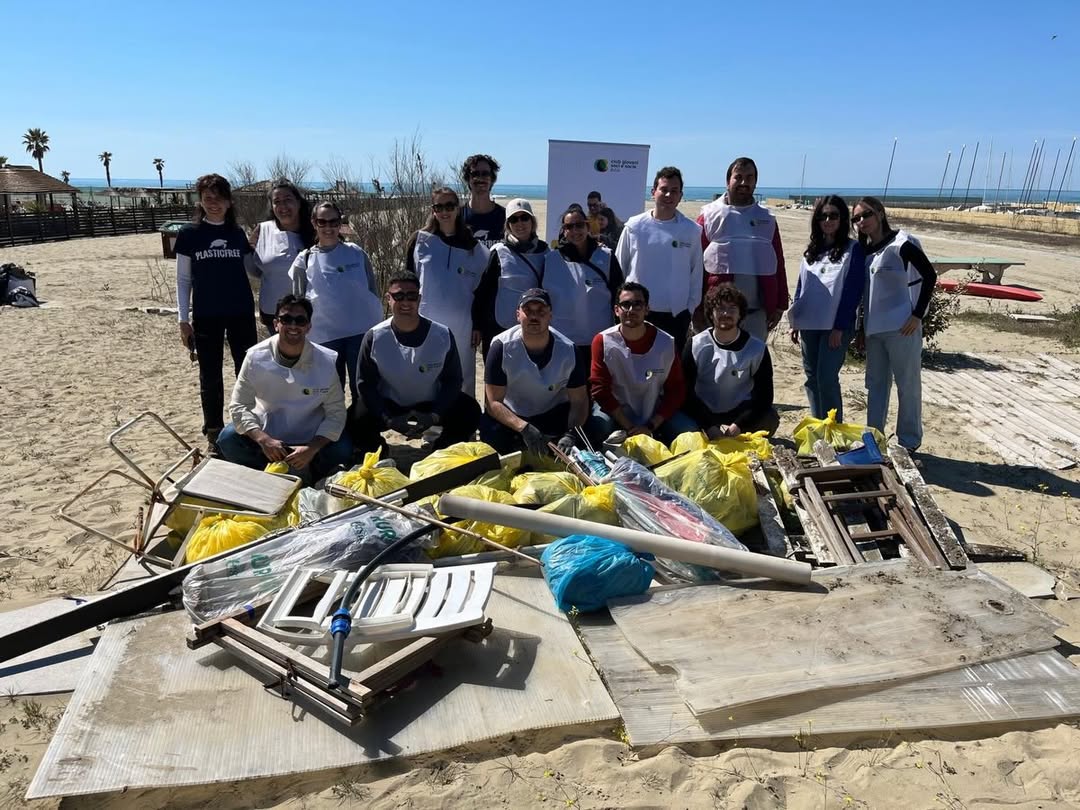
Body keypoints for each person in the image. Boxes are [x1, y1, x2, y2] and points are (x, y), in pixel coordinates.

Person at [218, 294, 351, 482]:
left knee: (343, 448)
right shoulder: (255, 357)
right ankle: (268, 471)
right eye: (286, 319)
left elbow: (336, 411)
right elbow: (238, 406)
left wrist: (312, 448)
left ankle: (310, 471)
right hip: (269, 434)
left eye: (300, 320)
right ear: (276, 323)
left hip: (310, 435)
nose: (293, 325)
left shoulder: (326, 361)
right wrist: (263, 439)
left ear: (308, 326)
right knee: (228, 438)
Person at [175, 173, 259, 448]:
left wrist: (260, 248)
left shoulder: (236, 235)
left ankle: (247, 427)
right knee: (210, 376)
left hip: (240, 311)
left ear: (228, 202)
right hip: (206, 314)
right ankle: (213, 432)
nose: (214, 203)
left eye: (219, 198)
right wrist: (182, 319)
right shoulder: (189, 234)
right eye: (208, 198)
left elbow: (254, 270)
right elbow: (183, 279)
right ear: (200, 201)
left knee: (245, 372)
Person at [353, 272, 481, 452]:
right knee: (356, 416)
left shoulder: (442, 335)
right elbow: (365, 384)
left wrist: (434, 415)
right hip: (391, 403)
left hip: (429, 403)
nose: (406, 302)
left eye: (411, 296)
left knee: (470, 410)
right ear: (388, 299)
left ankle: (443, 449)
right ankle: (379, 453)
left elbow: (453, 381)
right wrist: (388, 418)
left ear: (419, 298)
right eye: (398, 296)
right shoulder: (374, 337)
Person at [854, 196, 936, 451]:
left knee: (907, 385)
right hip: (874, 330)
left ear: (879, 213)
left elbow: (929, 275)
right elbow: (864, 295)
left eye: (865, 215)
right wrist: (860, 329)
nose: (861, 222)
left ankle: (909, 441)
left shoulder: (901, 244)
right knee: (876, 386)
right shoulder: (866, 251)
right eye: (855, 218)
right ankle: (874, 440)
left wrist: (917, 314)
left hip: (902, 328)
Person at [289, 201, 382, 405]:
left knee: (363, 388)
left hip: (359, 334)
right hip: (324, 338)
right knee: (331, 391)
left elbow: (372, 290)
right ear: (314, 223)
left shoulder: (356, 253)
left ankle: (364, 433)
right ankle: (335, 434)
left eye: (333, 221)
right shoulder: (304, 260)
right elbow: (298, 303)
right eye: (322, 222)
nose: (328, 227)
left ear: (340, 223)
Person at [482, 288, 589, 456]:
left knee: (588, 435)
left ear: (550, 315)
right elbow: (493, 403)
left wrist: (571, 434)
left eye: (541, 311)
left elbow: (579, 401)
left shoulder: (569, 350)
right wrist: (523, 428)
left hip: (552, 413)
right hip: (514, 416)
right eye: (528, 311)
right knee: (490, 434)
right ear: (518, 315)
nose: (534, 316)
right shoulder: (500, 347)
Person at [588, 282, 696, 445]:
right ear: (617, 310)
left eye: (637, 304)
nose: (631, 310)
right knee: (598, 426)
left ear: (647, 309)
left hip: (654, 413)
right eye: (626, 305)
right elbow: (600, 390)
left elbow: (676, 389)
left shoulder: (666, 342)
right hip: (615, 412)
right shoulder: (602, 341)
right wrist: (631, 427)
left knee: (690, 431)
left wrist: (651, 426)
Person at [406, 186, 489, 397]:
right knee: (427, 373)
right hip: (426, 322)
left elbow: (482, 292)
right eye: (439, 206)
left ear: (457, 208)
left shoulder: (474, 248)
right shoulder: (420, 241)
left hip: (462, 326)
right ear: (433, 210)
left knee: (463, 376)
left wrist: (478, 325)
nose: (444, 211)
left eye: (450, 206)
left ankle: (464, 425)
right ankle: (431, 426)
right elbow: (408, 282)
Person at [788, 196, 866, 420]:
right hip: (809, 323)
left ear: (843, 219)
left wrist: (840, 328)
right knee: (811, 377)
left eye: (834, 215)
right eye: (823, 216)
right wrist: (795, 321)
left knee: (827, 377)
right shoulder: (812, 250)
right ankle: (819, 425)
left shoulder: (853, 249)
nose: (828, 220)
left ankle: (833, 427)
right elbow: (803, 285)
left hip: (834, 327)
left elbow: (853, 291)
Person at [697, 157, 788, 340]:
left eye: (749, 177)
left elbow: (777, 261)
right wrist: (696, 309)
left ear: (755, 182)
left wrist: (780, 305)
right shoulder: (709, 216)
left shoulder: (767, 219)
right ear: (728, 180)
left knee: (753, 364)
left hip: (756, 313)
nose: (744, 183)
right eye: (738, 177)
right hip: (718, 312)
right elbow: (694, 266)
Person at [615, 166, 703, 354]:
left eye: (674, 191)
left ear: (680, 195)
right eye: (664, 189)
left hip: (676, 316)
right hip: (637, 313)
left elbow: (696, 273)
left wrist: (689, 308)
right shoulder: (634, 226)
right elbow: (619, 268)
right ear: (653, 192)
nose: (668, 195)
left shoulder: (691, 231)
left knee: (669, 370)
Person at [683, 284, 780, 438]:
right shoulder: (696, 344)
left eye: (732, 309)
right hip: (703, 411)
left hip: (738, 412)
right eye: (720, 308)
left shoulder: (757, 348)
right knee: (683, 428)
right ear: (711, 313)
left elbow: (764, 397)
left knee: (770, 419)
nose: (726, 313)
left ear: (740, 314)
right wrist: (709, 426)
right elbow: (686, 392)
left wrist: (739, 426)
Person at [544, 206, 624, 366]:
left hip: (599, 340)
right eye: (569, 226)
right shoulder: (550, 260)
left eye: (579, 225)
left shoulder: (606, 256)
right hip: (562, 341)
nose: (575, 230)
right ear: (563, 230)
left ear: (588, 226)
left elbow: (619, 296)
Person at [473, 198, 549, 354]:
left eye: (524, 217)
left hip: (534, 328)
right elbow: (483, 291)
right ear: (508, 225)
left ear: (532, 221)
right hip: (499, 328)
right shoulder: (499, 252)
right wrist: (477, 326)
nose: (520, 223)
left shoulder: (546, 252)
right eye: (514, 219)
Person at [250, 179, 315, 334]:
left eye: (288, 200)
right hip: (275, 314)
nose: (283, 206)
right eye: (277, 201)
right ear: (272, 207)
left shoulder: (315, 230)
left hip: (312, 315)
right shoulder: (262, 231)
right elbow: (252, 266)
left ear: (298, 202)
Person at [460, 154, 505, 246]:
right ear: (468, 179)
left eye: (485, 174)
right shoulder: (457, 216)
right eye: (475, 174)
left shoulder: (506, 217)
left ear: (492, 179)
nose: (480, 178)